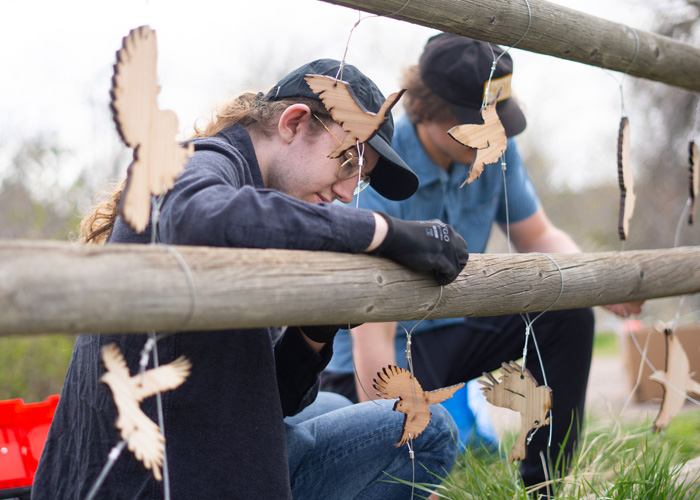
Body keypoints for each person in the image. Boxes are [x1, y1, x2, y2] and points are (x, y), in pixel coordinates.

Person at [32, 58, 469, 500]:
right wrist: (383, 232)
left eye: (361, 179)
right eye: (349, 163)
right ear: (294, 123)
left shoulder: (269, 205)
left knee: (331, 404)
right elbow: (197, 217)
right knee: (428, 429)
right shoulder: (189, 166)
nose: (345, 192)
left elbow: (267, 398)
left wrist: (313, 332)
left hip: (193, 451)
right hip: (146, 482)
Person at [321, 34, 644, 493]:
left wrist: (599, 283)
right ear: (431, 111)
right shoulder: (379, 161)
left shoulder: (496, 150)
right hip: (372, 354)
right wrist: (400, 465)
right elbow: (372, 338)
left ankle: (544, 487)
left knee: (570, 315)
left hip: (450, 330)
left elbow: (540, 236)